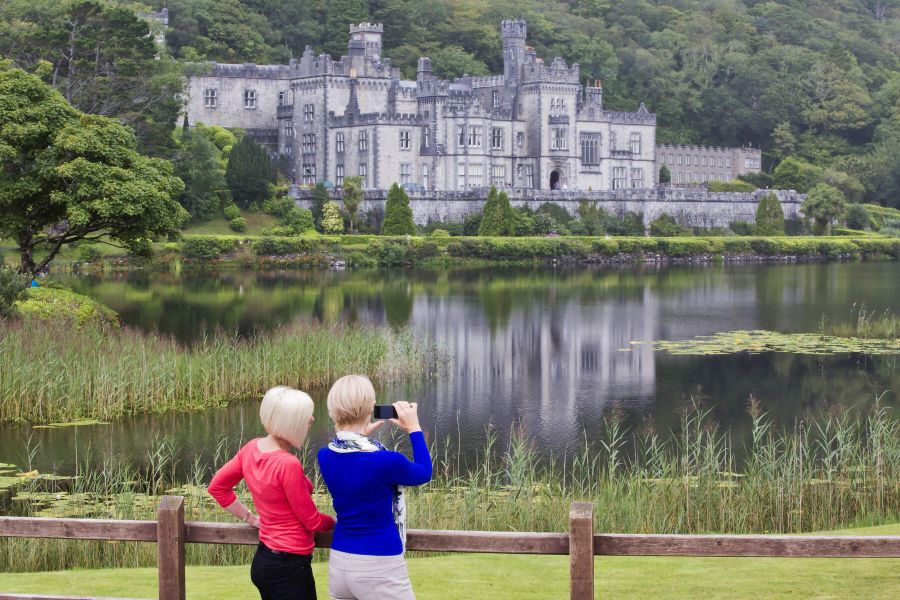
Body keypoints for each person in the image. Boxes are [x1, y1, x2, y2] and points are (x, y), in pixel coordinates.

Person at [209, 386, 335, 600]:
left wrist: (251, 518)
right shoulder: (287, 463)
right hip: (289, 567)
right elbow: (312, 522)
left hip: (265, 560)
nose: (311, 420)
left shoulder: (251, 448)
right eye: (305, 416)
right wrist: (338, 522)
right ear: (291, 422)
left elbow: (217, 487)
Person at [318, 375, 432, 600]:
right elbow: (423, 472)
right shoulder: (386, 461)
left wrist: (359, 435)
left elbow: (353, 462)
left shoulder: (326, 455)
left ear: (333, 409)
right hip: (378, 563)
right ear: (370, 408)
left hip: (340, 561)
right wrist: (414, 428)